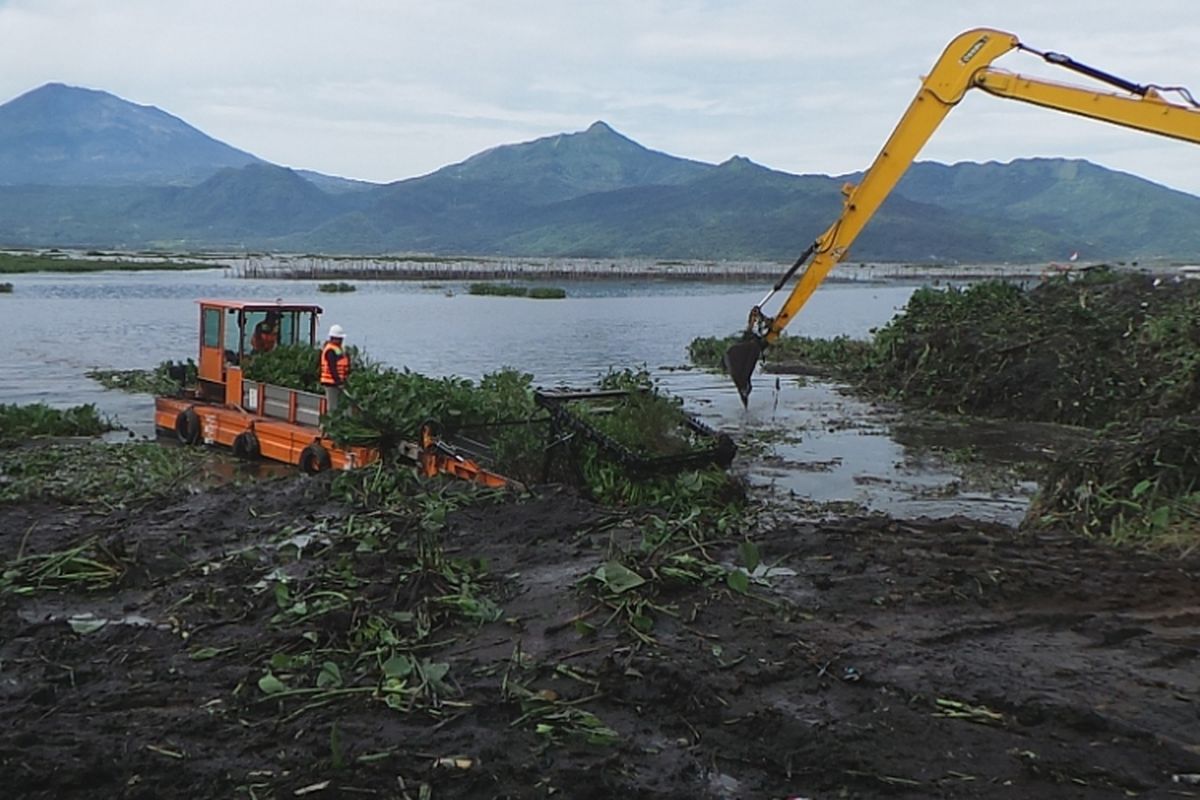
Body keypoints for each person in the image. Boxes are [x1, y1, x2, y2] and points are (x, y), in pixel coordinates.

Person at [319, 324, 351, 413]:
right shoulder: (330, 350)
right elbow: (332, 367)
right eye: (340, 338)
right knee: (332, 407)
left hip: (338, 382)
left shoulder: (339, 349)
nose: (341, 340)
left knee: (340, 406)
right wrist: (338, 381)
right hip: (331, 383)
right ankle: (328, 425)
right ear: (334, 338)